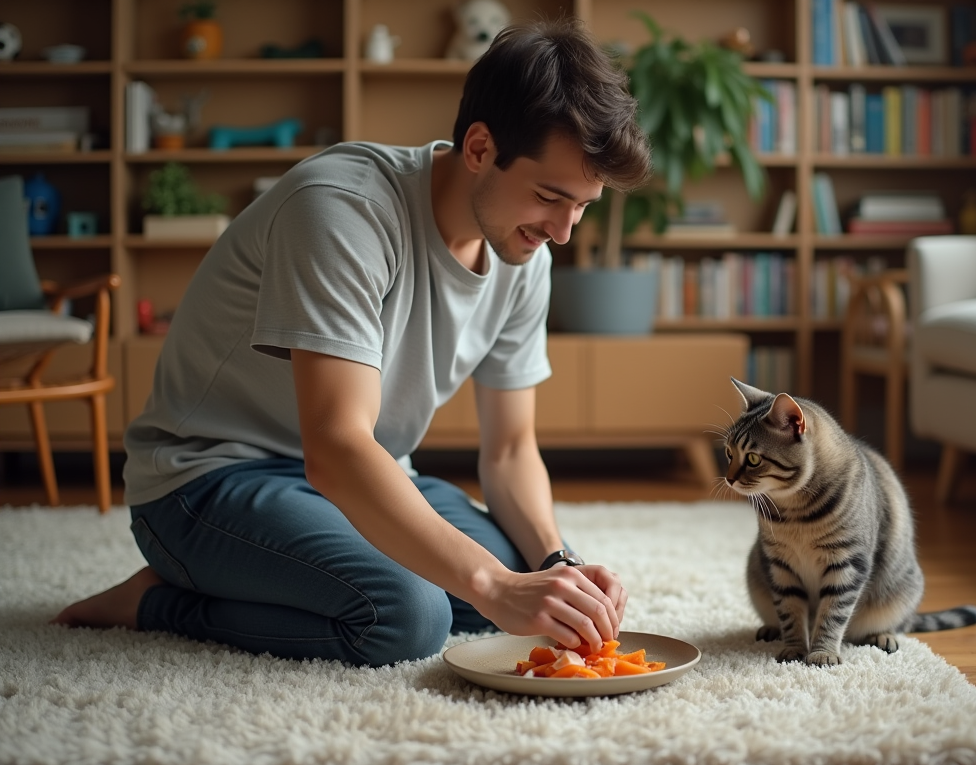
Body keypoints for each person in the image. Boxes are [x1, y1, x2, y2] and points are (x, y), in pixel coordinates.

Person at [52, 17, 653, 668]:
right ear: (480, 147)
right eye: (550, 197)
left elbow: (509, 451)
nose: (564, 232)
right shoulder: (342, 210)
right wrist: (494, 585)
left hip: (369, 472)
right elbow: (336, 449)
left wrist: (551, 562)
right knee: (410, 614)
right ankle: (155, 600)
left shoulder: (524, 255)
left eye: (583, 206)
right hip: (209, 477)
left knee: (521, 577)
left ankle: (285, 578)